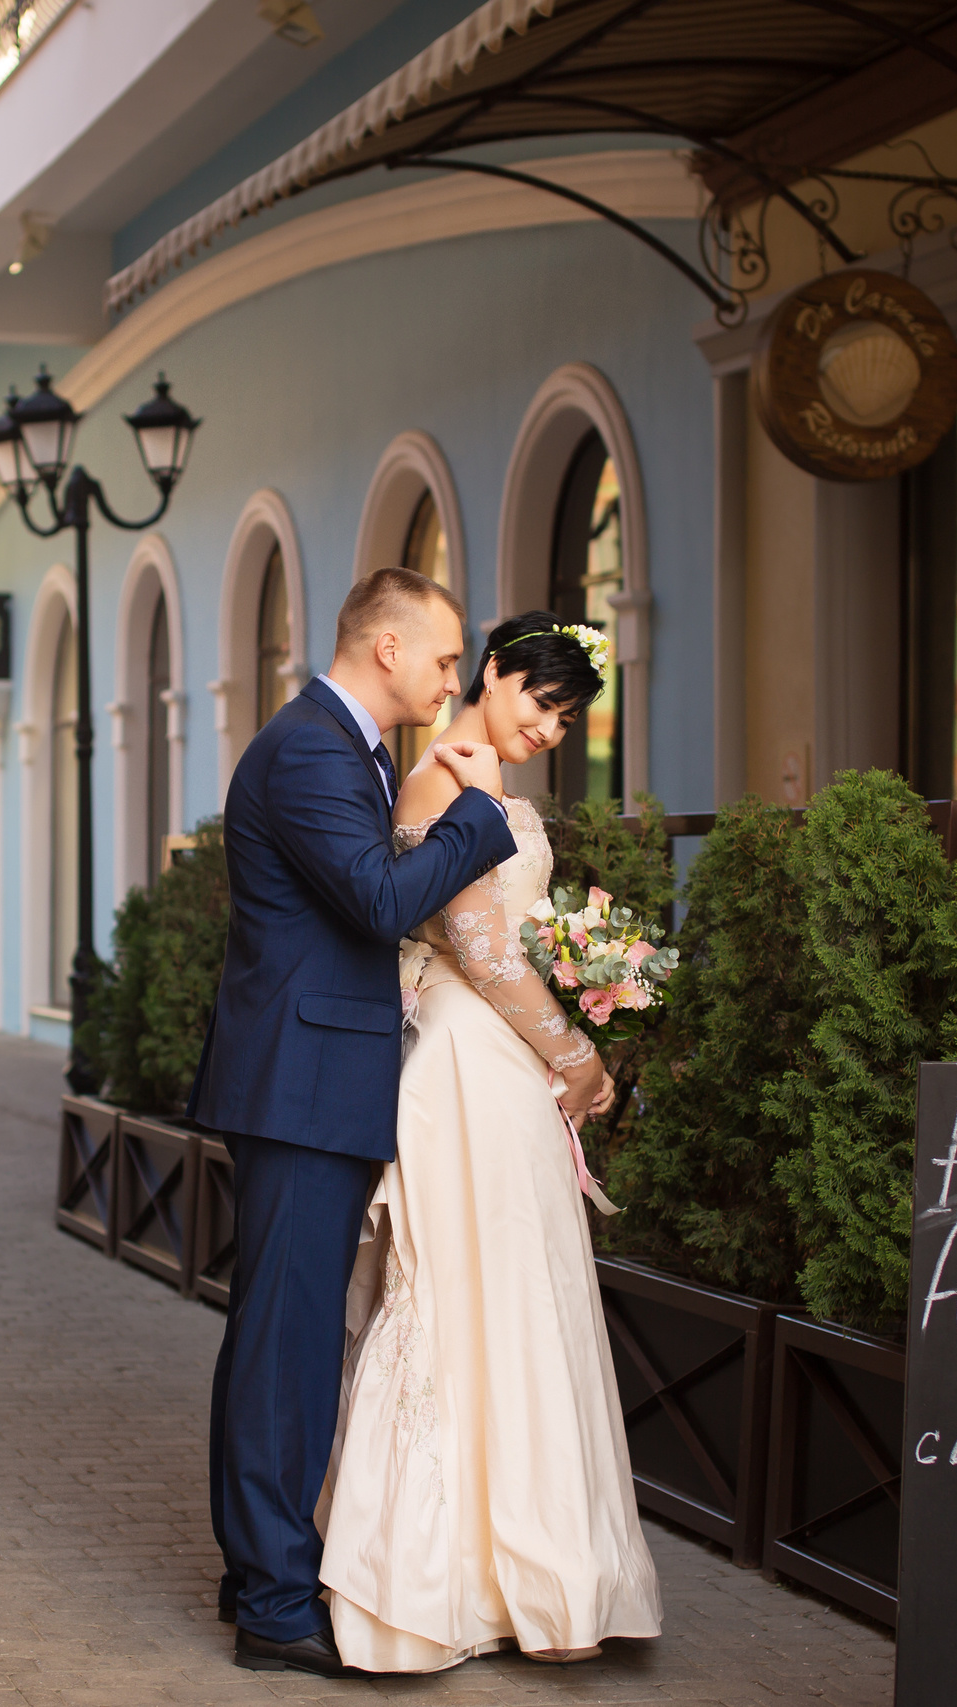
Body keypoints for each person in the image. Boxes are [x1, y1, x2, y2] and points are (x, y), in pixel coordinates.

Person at [189, 567, 527, 1678]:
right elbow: (379, 904)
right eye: (440, 657)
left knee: (282, 1337)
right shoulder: (312, 752)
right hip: (298, 1082)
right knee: (285, 1343)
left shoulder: (349, 751)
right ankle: (277, 1606)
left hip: (313, 1077)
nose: (451, 677)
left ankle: (260, 1567)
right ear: (384, 649)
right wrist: (478, 812)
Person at [317, 611, 663, 1673]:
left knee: (522, 1297)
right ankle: (429, 1578)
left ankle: (531, 1572)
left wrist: (584, 974)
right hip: (470, 1066)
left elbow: (508, 938)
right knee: (466, 1293)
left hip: (498, 1057)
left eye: (567, 716)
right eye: (539, 700)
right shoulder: (442, 779)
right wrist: (575, 1054)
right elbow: (474, 945)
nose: (551, 726)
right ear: (491, 673)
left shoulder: (491, 785)